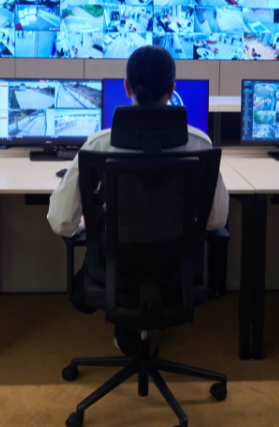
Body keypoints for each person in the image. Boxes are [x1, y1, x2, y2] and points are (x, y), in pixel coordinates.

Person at [47, 45, 230, 356]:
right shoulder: (200, 143)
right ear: (172, 90)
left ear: (126, 87)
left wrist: (85, 223)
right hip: (178, 264)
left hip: (117, 265)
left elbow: (60, 221)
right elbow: (216, 221)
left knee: (106, 230)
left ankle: (127, 331)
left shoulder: (98, 144)